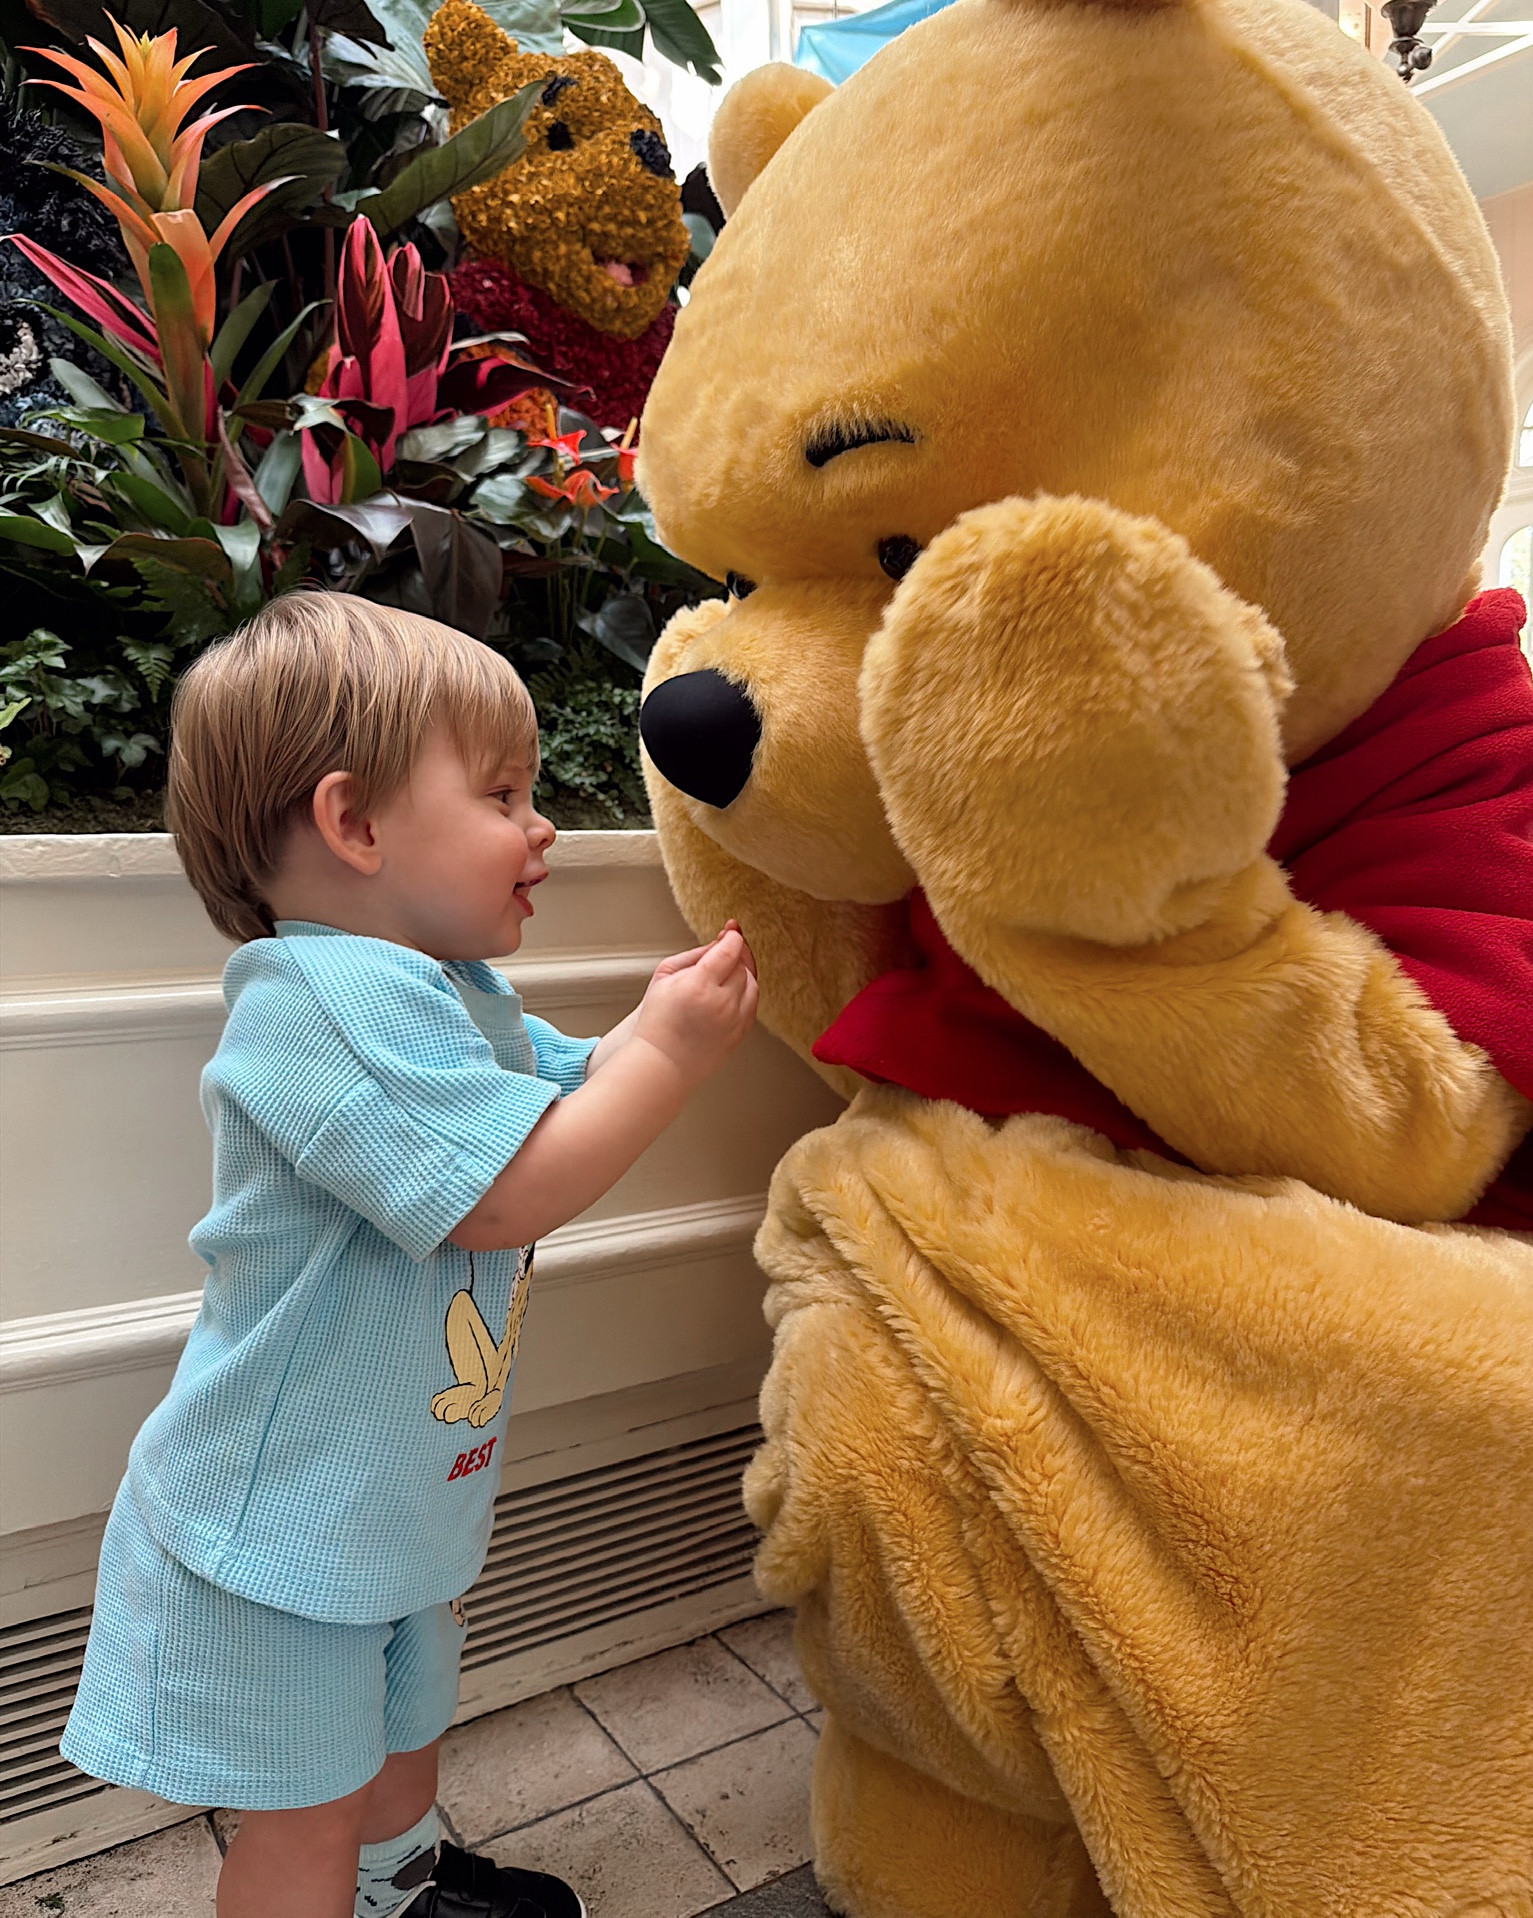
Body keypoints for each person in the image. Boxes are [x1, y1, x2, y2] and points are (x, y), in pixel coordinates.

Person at [58, 594, 759, 1918]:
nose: (539, 825)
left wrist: (647, 1032)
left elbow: (565, 1096)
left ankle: (400, 1885)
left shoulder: (441, 994)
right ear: (355, 823)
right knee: (301, 1827)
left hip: (381, 1506)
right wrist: (669, 1051)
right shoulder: (320, 1004)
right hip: (276, 1538)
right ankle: (353, 1886)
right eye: (503, 791)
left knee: (397, 1744)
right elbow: (505, 1193)